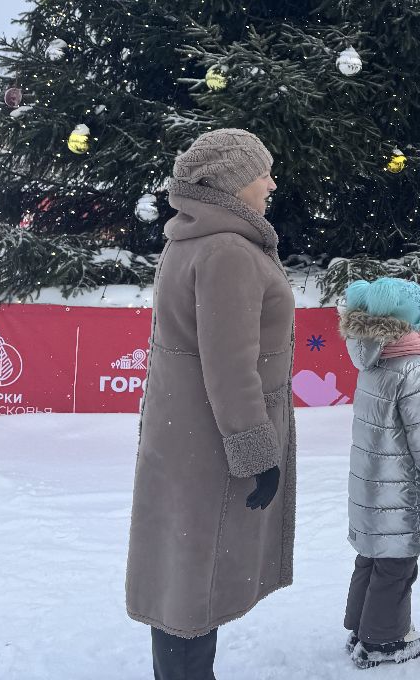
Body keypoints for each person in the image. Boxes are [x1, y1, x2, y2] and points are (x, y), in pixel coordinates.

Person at [126, 129, 296, 680]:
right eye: (261, 173)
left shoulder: (194, 240)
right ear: (231, 181)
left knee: (180, 572)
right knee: (193, 583)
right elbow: (229, 367)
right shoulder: (226, 251)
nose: (271, 183)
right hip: (214, 442)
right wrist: (255, 451)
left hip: (186, 435)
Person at [338, 276, 420, 668]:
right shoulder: (413, 367)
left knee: (371, 556)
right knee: (396, 567)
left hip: (370, 486)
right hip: (400, 493)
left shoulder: (375, 357)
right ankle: (383, 641)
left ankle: (360, 628)